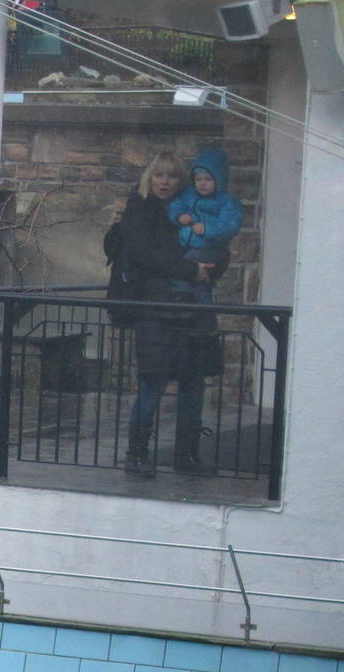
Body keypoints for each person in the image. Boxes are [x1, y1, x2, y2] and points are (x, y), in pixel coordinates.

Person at [103, 150, 217, 478]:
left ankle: (187, 454)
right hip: (155, 306)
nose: (165, 182)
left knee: (194, 382)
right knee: (152, 381)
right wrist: (189, 269)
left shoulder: (194, 207)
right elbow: (144, 255)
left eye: (172, 176)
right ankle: (136, 453)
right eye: (159, 175)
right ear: (150, 178)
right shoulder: (139, 208)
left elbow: (214, 248)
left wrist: (208, 268)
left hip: (190, 305)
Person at [169, 146, 243, 305]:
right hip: (187, 244)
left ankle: (179, 298)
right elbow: (175, 205)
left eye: (208, 179)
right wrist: (179, 216)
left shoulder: (227, 201)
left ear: (219, 179)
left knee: (186, 269)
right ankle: (203, 318)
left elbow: (230, 226)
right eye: (198, 179)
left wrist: (206, 228)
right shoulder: (188, 194)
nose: (202, 183)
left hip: (210, 248)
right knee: (200, 286)